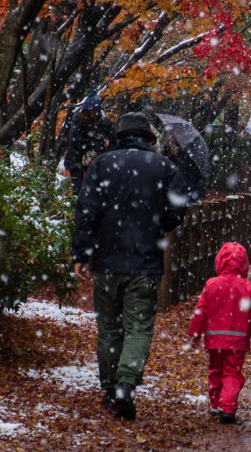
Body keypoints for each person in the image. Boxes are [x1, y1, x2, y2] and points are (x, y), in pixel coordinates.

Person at [72, 112, 188, 420]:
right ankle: (126, 386)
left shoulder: (100, 165)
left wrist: (81, 254)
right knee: (138, 328)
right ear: (150, 140)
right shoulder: (165, 167)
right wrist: (155, 224)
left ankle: (109, 390)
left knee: (109, 327)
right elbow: (177, 211)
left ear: (119, 138)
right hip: (145, 261)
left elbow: (86, 211)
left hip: (106, 261)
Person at [187, 242, 251, 424]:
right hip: (238, 340)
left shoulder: (212, 284)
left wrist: (195, 333)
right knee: (232, 373)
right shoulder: (247, 287)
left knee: (215, 370)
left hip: (215, 338)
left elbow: (201, 310)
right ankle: (227, 407)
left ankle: (215, 404)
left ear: (220, 261)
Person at [64, 92, 115, 195]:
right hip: (76, 160)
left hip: (95, 162)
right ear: (86, 112)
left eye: (96, 112)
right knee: (77, 191)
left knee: (92, 190)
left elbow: (114, 138)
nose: (94, 115)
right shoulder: (77, 121)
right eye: (91, 112)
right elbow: (75, 140)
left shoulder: (104, 122)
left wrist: (105, 153)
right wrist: (93, 147)